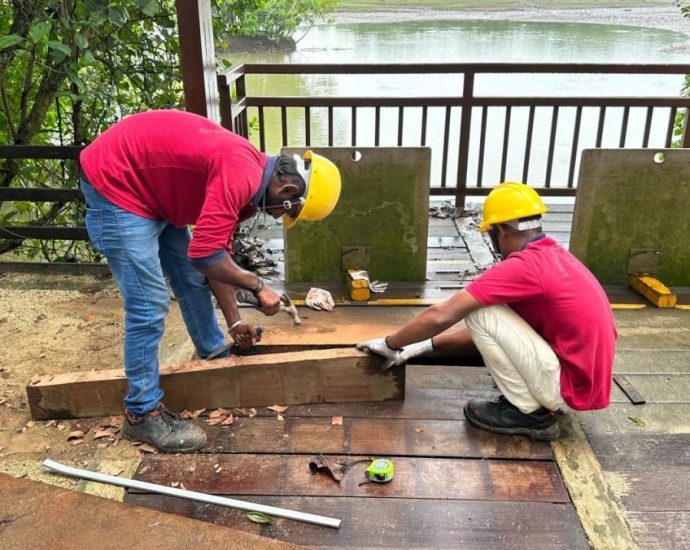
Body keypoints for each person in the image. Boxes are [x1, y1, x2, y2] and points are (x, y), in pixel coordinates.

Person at [79, 109, 341, 453]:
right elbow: (205, 254)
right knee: (149, 304)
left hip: (155, 190)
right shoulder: (240, 174)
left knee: (190, 279)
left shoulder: (251, 186)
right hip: (118, 183)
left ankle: (213, 352)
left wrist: (235, 321)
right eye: (288, 210)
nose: (280, 217)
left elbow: (216, 257)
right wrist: (258, 286)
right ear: (288, 189)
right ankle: (141, 415)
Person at [358, 182, 616, 441]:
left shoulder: (524, 267)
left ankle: (531, 413)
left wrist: (390, 343)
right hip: (584, 383)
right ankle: (538, 400)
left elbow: (441, 315)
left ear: (501, 231)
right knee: (488, 313)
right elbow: (494, 331)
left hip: (569, 390)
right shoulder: (554, 255)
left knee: (480, 311)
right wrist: (422, 347)